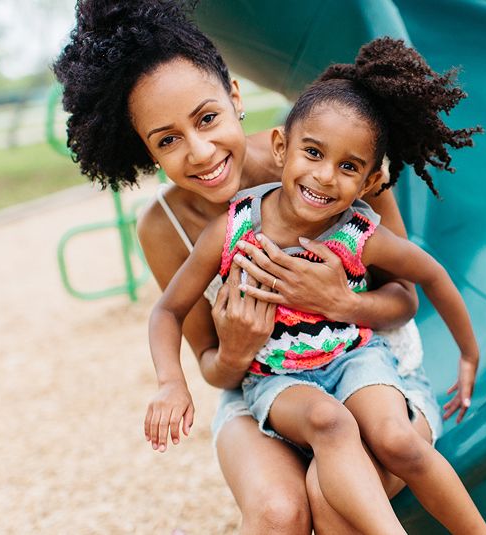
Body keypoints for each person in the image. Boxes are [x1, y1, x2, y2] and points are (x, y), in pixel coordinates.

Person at [53, 1, 442, 532]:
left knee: (332, 498)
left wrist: (343, 303)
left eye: (207, 118)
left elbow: (407, 300)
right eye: (168, 140)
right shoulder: (164, 228)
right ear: (145, 149)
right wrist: (232, 349)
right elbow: (213, 368)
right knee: (278, 511)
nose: (201, 152)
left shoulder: (331, 158)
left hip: (371, 369)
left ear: (234, 96)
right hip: (264, 389)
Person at [148, 37, 486, 534]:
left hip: (356, 356)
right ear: (284, 148)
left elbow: (428, 276)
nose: (325, 177)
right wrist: (171, 382)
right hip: (277, 378)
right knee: (328, 424)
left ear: (371, 181)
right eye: (313, 153)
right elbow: (167, 311)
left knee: (394, 440)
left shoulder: (357, 228)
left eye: (348, 167)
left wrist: (467, 352)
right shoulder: (232, 229)